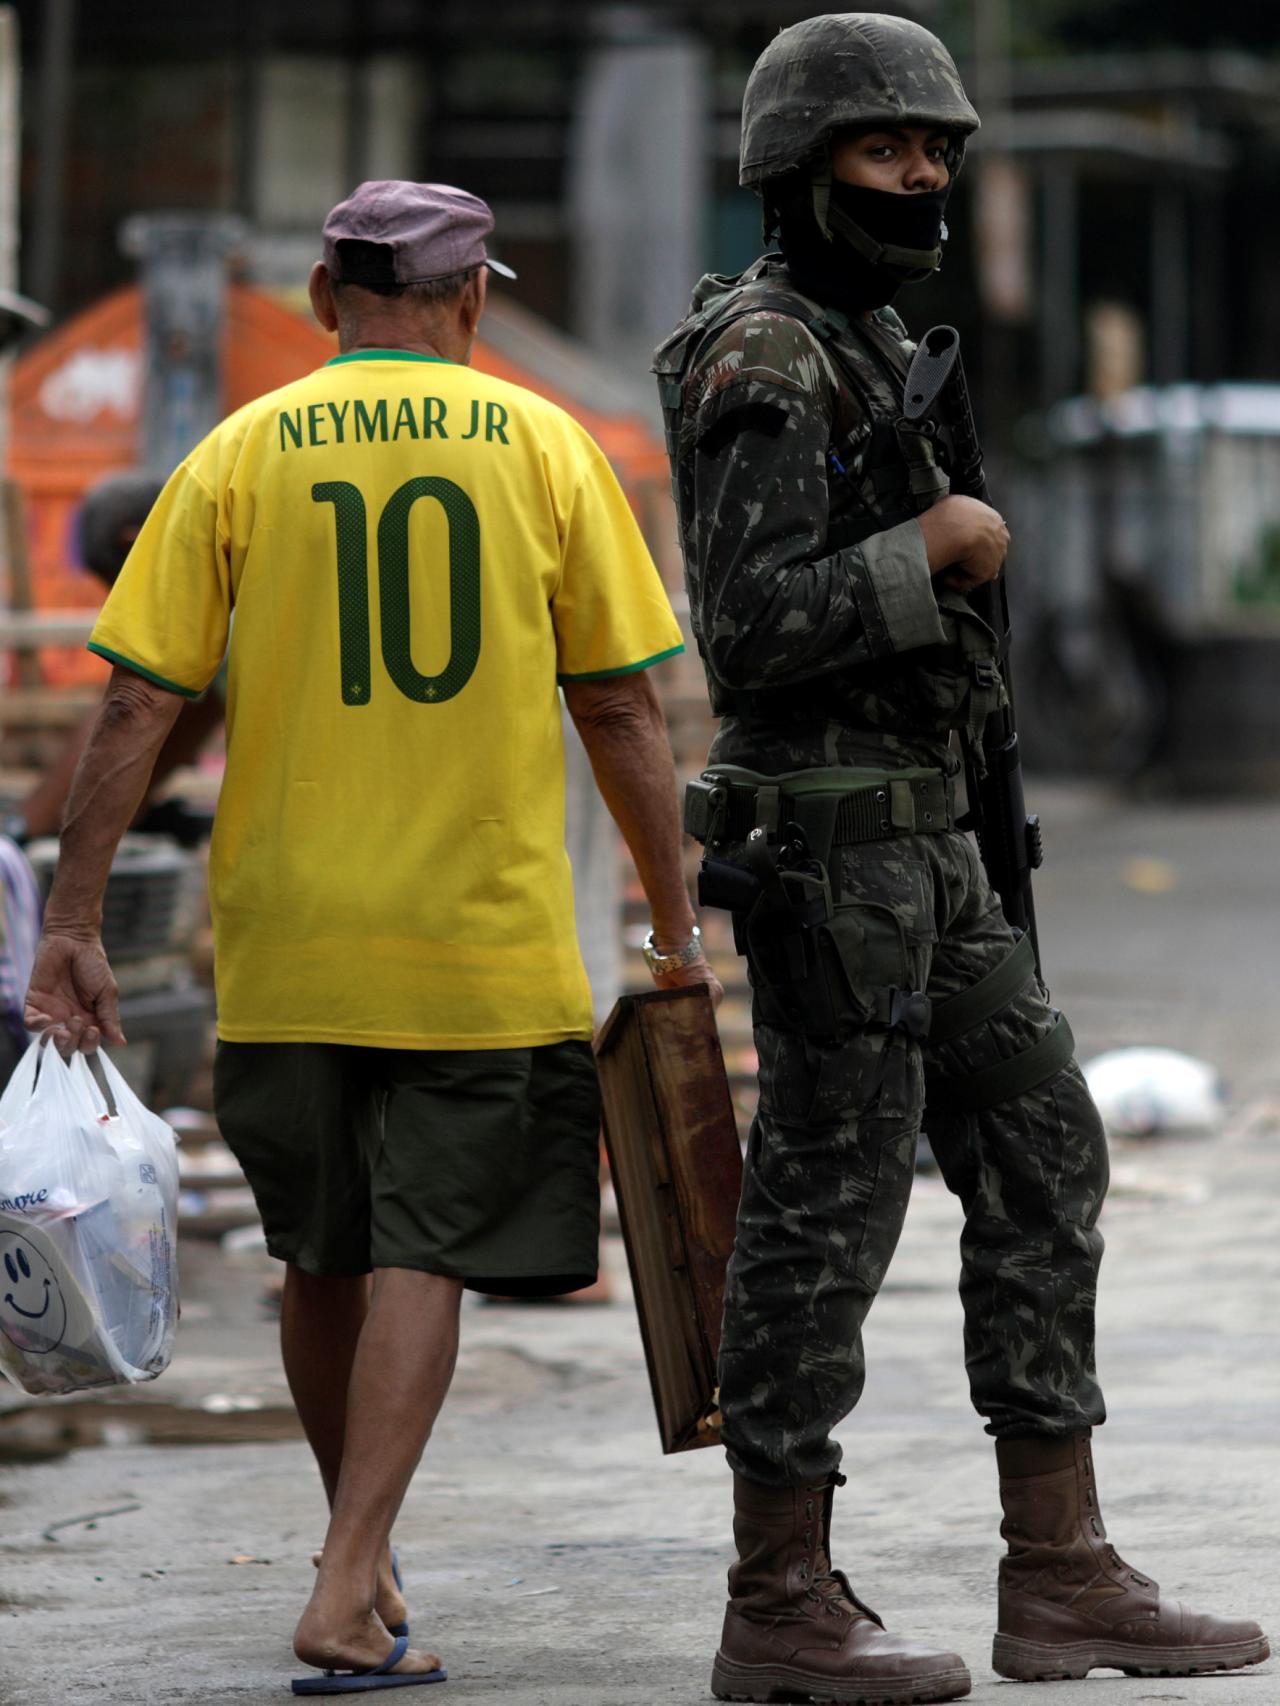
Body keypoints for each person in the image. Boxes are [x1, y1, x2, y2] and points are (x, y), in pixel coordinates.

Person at [24, 179, 720, 1694]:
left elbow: (138, 699)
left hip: (287, 943)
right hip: (477, 940)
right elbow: (620, 706)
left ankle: (359, 1551)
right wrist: (674, 926)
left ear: (330, 301)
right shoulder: (547, 446)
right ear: (470, 300)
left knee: (320, 1255)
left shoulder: (237, 453)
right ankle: (347, 1582)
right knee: (430, 1248)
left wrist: (69, 915)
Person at [655, 16, 1267, 1703]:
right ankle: (779, 1598)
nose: (920, 175)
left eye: (936, 149)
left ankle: (1059, 1572)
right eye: (886, 149)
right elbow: (750, 627)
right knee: (825, 1215)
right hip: (833, 855)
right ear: (800, 171)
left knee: (1049, 1146)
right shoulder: (766, 355)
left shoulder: (869, 339)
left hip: (933, 847)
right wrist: (928, 547)